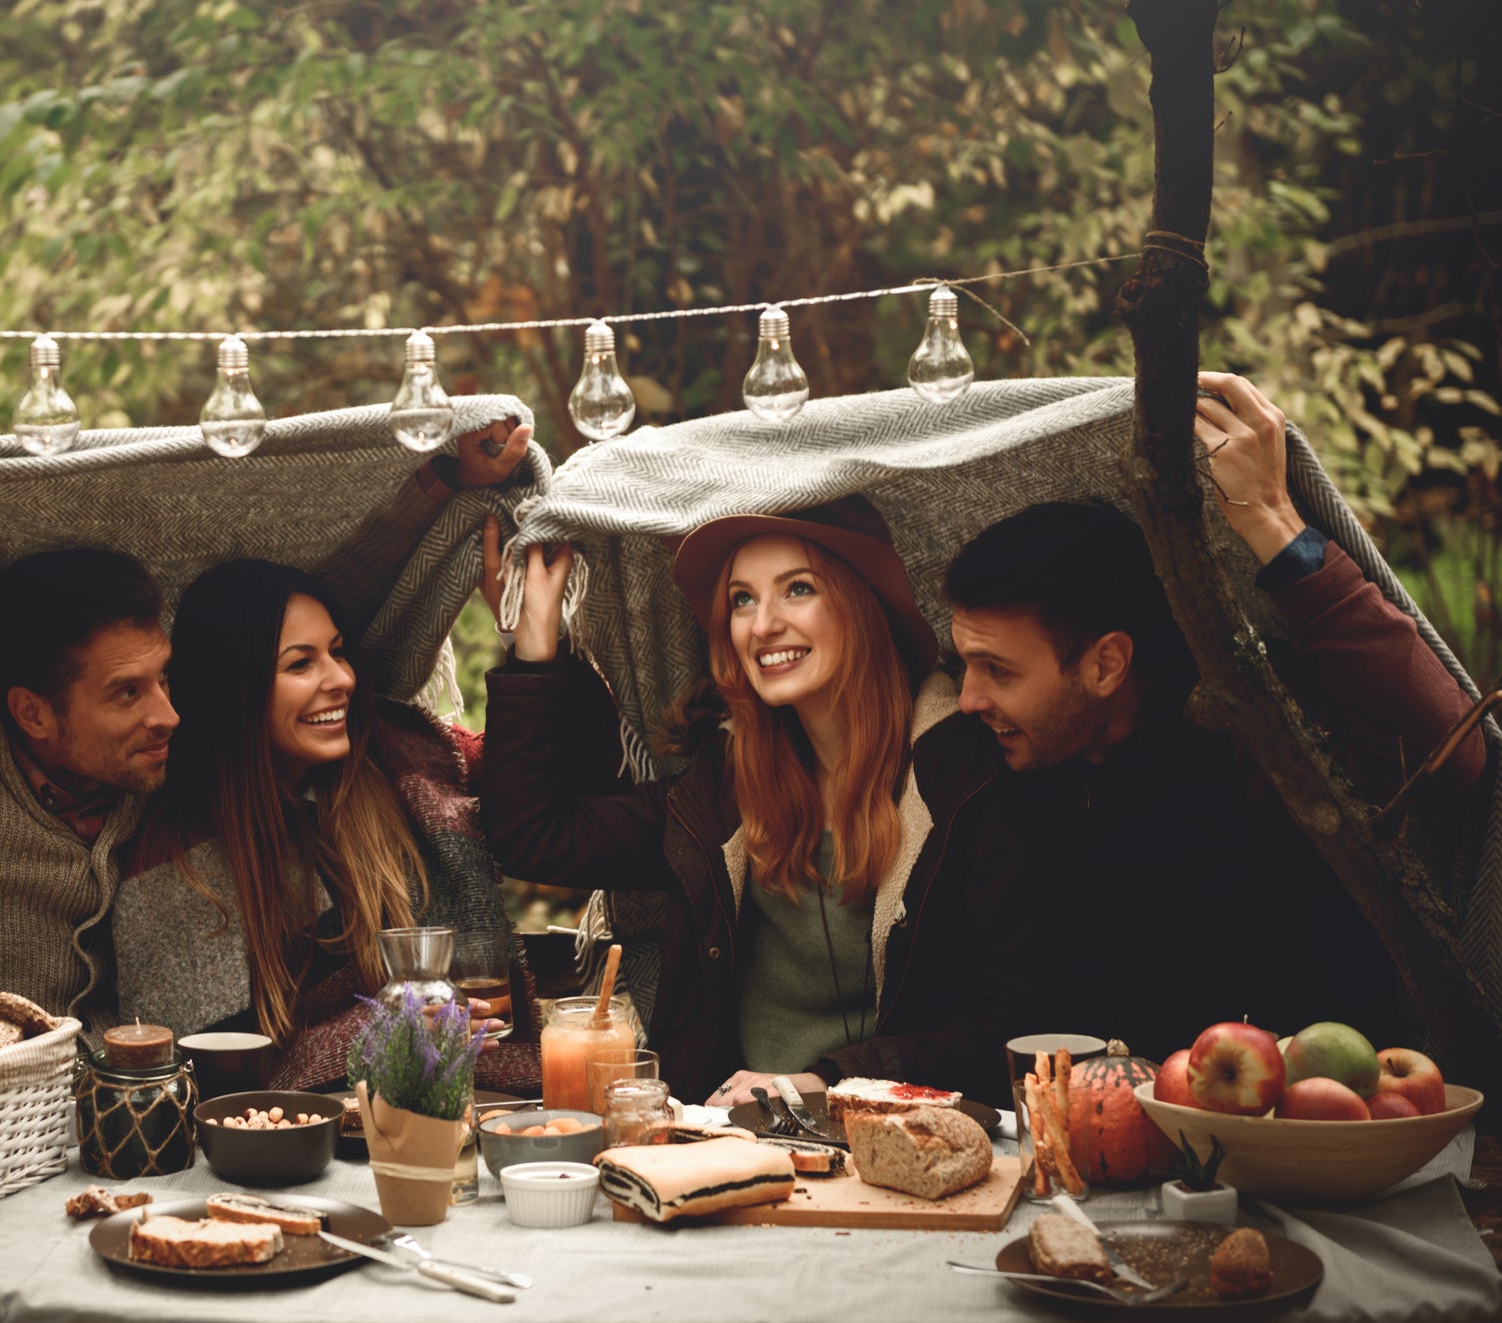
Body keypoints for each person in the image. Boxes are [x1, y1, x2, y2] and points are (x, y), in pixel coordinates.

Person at [0, 416, 530, 1021]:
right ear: (32, 713)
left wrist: (438, 486)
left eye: (164, 680)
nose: (169, 712)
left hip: (117, 1141)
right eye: (126, 693)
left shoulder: (156, 758)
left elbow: (287, 618)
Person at [943, 370, 1487, 1059]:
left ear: (1106, 664)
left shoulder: (1253, 730)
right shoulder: (1005, 764)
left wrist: (1269, 516)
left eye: (997, 670)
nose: (968, 699)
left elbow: (1449, 757)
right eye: (965, 664)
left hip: (1296, 1127)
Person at [481, 497, 1065, 1106]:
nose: (761, 625)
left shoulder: (968, 778)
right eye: (742, 599)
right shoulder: (724, 788)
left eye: (798, 589)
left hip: (907, 1136)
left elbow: (1016, 1023)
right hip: (735, 1138)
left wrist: (828, 1083)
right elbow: (535, 834)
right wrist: (535, 647)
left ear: (863, 602)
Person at [107, 558, 542, 1091]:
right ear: (233, 690)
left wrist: (531, 647)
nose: (342, 680)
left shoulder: (407, 767)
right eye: (300, 664)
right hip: (279, 1147)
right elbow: (195, 1078)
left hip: (468, 1109)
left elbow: (535, 787)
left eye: (337, 652)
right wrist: (381, 1032)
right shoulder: (176, 867)